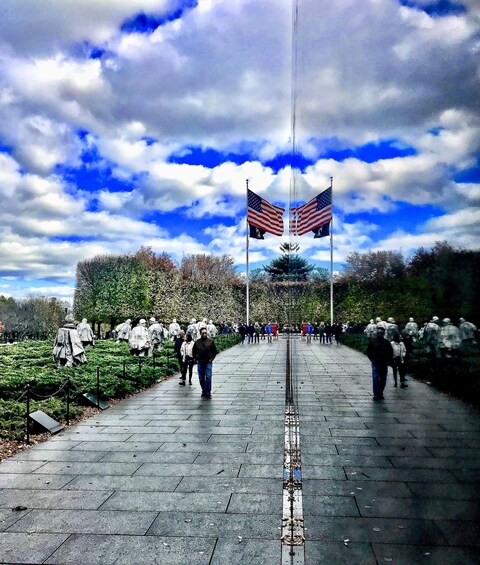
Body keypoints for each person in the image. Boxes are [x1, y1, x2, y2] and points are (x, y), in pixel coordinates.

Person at [366, 326, 393, 401]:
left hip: (384, 363)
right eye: (378, 333)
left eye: (381, 333)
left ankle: (380, 392)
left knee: (383, 379)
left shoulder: (387, 343)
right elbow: (368, 351)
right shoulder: (373, 342)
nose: (379, 334)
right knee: (375, 378)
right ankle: (376, 394)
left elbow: (390, 352)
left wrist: (388, 360)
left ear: (383, 334)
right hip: (376, 362)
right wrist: (372, 359)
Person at [193, 326, 218, 399]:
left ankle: (208, 391)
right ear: (200, 334)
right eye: (203, 333)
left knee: (208, 376)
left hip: (208, 361)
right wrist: (196, 359)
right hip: (200, 362)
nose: (204, 334)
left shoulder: (210, 341)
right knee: (201, 377)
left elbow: (214, 351)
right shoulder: (197, 342)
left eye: (205, 333)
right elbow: (194, 351)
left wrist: (211, 358)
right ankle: (204, 390)